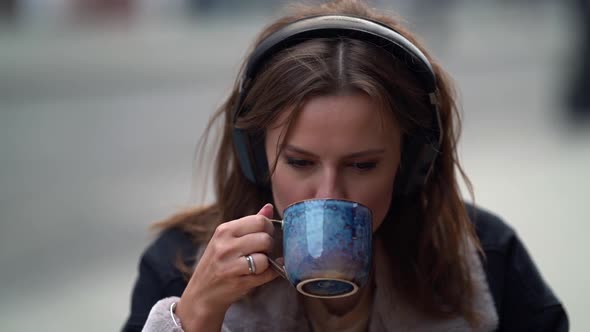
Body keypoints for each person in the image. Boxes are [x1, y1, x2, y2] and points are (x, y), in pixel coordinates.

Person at [122, 1, 568, 331]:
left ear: (414, 163)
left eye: (362, 165)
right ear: (254, 155)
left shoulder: (484, 261)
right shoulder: (180, 267)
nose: (329, 193)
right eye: (299, 162)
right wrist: (193, 317)